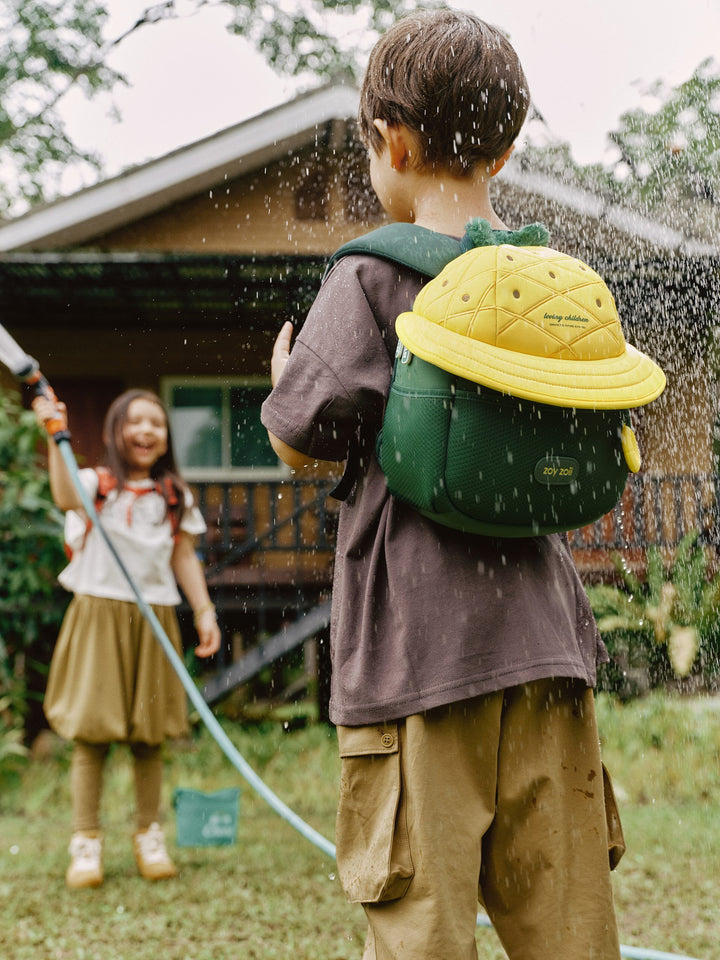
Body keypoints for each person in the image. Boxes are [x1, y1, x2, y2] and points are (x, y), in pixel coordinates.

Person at [261, 9, 624, 960]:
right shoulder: (551, 283)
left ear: (395, 140)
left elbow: (300, 441)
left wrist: (277, 385)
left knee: (421, 928)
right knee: (569, 929)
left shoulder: (375, 278)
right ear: (504, 150)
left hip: (418, 664)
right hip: (547, 650)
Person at [33, 388, 221, 890]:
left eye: (156, 424)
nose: (145, 431)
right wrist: (56, 437)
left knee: (149, 736)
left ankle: (148, 835)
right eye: (135, 422)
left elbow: (183, 557)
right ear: (116, 430)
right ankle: (86, 844)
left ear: (165, 438)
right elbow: (64, 495)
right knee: (92, 737)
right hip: (99, 614)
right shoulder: (97, 483)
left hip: (155, 620)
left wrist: (203, 611)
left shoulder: (174, 496)